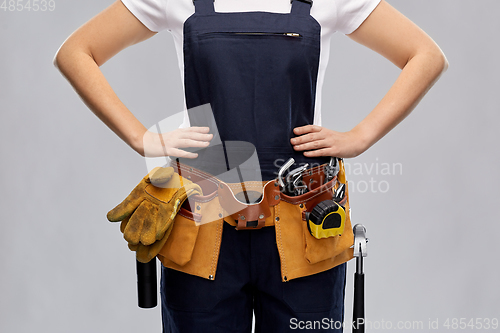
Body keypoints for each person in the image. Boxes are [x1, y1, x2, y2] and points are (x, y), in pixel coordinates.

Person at [54, 0, 447, 332]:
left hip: (303, 221)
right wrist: (144, 139)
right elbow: (76, 52)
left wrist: (360, 137)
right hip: (204, 220)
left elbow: (426, 56)